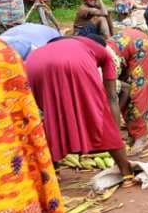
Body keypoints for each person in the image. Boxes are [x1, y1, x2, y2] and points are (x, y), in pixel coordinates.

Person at [0, 35, 78, 213]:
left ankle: (61, 157)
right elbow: (29, 133)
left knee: (49, 109)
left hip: (34, 71)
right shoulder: (0, 54)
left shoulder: (17, 50)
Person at [25, 35, 134, 182]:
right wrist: (115, 136)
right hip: (73, 63)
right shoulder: (104, 52)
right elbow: (112, 98)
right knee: (99, 114)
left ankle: (53, 171)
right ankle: (125, 171)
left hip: (33, 64)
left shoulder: (54, 45)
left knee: (52, 117)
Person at [106, 27, 148, 156]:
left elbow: (117, 95)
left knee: (138, 93)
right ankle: (132, 130)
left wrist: (111, 123)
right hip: (123, 46)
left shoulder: (98, 75)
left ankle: (141, 137)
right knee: (122, 93)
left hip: (137, 45)